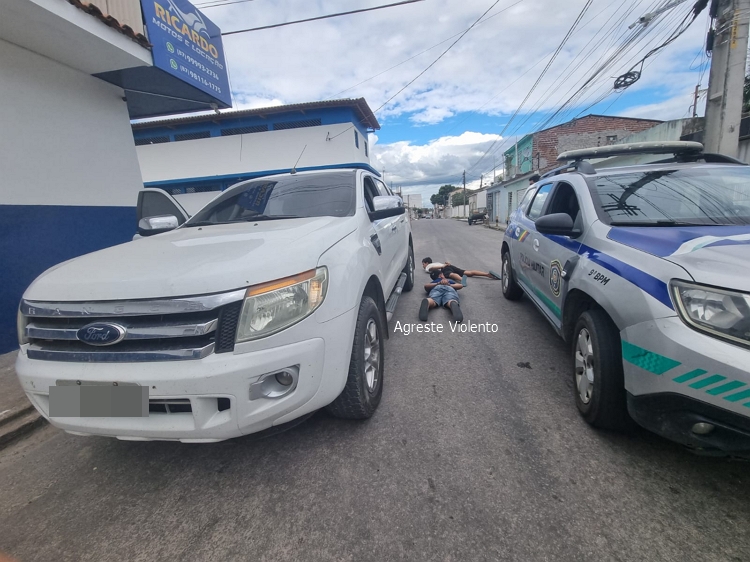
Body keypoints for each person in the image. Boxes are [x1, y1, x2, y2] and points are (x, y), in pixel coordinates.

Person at [421, 257, 500, 284]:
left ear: (427, 263)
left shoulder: (428, 266)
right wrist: (445, 264)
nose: (423, 266)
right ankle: (487, 274)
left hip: (444, 268)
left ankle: (462, 280)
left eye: (423, 264)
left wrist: (443, 266)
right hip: (448, 266)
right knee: (468, 272)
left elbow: (431, 268)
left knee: (451, 275)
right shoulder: (436, 263)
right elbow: (439, 265)